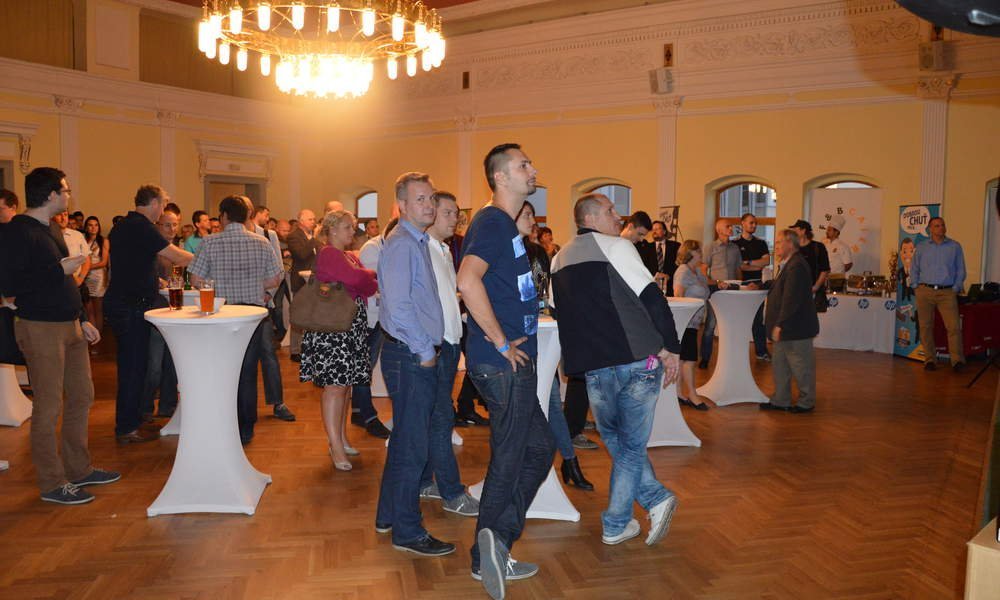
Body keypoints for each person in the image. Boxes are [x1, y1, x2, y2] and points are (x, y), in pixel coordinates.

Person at [549, 192, 681, 549]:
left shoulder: (558, 259)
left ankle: (637, 511)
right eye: (610, 211)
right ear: (589, 218)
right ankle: (628, 516)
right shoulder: (617, 247)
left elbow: (559, 312)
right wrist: (672, 348)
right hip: (637, 360)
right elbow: (653, 299)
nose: (618, 216)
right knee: (629, 448)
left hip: (595, 368)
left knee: (620, 444)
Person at [457, 143, 555, 597]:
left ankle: (495, 544)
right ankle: (488, 554)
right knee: (511, 456)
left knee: (539, 447)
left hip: (510, 361)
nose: (532, 169)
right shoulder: (494, 222)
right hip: (502, 362)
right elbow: (466, 279)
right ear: (500, 177)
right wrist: (499, 340)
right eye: (523, 165)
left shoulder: (503, 225)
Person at [0, 167, 118, 504]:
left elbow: (63, 281)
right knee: (49, 405)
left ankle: (79, 469)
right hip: (40, 327)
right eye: (65, 190)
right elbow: (10, 285)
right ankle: (52, 483)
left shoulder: (52, 227)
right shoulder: (16, 231)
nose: (69, 195)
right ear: (51, 194)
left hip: (69, 324)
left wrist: (81, 317)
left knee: (81, 396)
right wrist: (58, 270)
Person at [375, 174, 462, 557]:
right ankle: (408, 531)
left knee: (405, 443)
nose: (429, 205)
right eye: (420, 199)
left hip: (410, 353)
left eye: (430, 198)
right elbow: (398, 306)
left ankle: (388, 515)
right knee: (414, 447)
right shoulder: (403, 245)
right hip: (411, 355)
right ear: (403, 206)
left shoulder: (417, 242)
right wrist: (426, 350)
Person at [188, 196, 286, 444]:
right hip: (252, 315)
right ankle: (246, 427)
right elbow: (276, 278)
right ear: (246, 217)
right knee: (248, 371)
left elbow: (196, 280)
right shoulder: (262, 242)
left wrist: (219, 283)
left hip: (221, 312)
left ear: (223, 216)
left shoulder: (209, 242)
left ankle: (223, 421)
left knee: (221, 369)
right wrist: (254, 285)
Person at [104, 185, 193, 444]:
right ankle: (127, 428)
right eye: (162, 204)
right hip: (131, 307)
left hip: (125, 303)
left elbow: (134, 265)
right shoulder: (142, 227)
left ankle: (131, 421)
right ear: (154, 203)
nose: (163, 210)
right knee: (134, 368)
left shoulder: (125, 225)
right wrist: (202, 255)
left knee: (134, 367)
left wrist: (154, 281)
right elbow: (175, 256)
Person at [515, 200, 593, 490]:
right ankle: (564, 462)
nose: (532, 221)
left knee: (550, 398)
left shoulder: (537, 253)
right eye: (526, 215)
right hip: (515, 335)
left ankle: (569, 461)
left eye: (532, 215)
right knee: (539, 402)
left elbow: (539, 289)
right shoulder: (504, 251)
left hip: (540, 328)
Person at [299, 209, 377, 467]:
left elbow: (368, 284)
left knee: (344, 386)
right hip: (332, 330)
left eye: (352, 227)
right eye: (347, 227)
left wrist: (364, 277)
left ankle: (341, 439)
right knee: (335, 387)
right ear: (332, 229)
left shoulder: (346, 255)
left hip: (347, 327)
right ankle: (335, 445)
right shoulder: (330, 254)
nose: (352, 231)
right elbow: (360, 279)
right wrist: (365, 275)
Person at [760, 229, 820, 413]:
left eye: (779, 242)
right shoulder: (789, 264)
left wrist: (780, 324)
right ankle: (781, 400)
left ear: (791, 244)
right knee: (780, 365)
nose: (776, 246)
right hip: (786, 328)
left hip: (795, 328)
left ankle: (806, 402)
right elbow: (781, 286)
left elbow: (791, 299)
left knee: (801, 366)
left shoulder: (797, 266)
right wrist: (762, 285)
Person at [350, 220, 396, 440]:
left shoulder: (388, 246)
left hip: (381, 315)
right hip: (370, 316)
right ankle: (368, 416)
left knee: (366, 365)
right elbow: (373, 284)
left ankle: (358, 412)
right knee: (364, 366)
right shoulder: (372, 248)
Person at [910, 217, 966, 372]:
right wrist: (915, 286)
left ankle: (957, 361)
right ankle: (929, 360)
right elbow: (914, 267)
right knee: (925, 327)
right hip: (925, 291)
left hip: (947, 292)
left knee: (954, 327)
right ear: (930, 229)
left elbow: (961, 269)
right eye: (937, 226)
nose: (940, 228)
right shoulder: (922, 247)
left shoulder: (954, 246)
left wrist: (956, 287)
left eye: (942, 225)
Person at [140, 207, 180, 420]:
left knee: (172, 363)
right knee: (154, 364)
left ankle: (168, 405)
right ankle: (146, 407)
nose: (172, 229)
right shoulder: (152, 250)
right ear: (158, 226)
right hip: (156, 311)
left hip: (174, 312)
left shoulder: (177, 249)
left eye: (175, 224)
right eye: (167, 225)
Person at [673, 240, 712, 410]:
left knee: (683, 360)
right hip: (685, 322)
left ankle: (678, 393)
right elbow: (678, 296)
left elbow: (707, 286)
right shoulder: (683, 271)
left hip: (694, 323)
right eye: (699, 252)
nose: (701, 255)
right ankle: (692, 395)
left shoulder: (696, 271)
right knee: (689, 360)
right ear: (690, 253)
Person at [700, 218, 741, 368]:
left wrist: (740, 286)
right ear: (718, 230)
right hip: (715, 289)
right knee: (710, 324)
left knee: (732, 325)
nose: (731, 228)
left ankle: (731, 358)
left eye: (732, 226)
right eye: (727, 226)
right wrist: (713, 283)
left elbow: (738, 269)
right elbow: (703, 269)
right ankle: (705, 358)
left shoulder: (735, 248)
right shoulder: (710, 247)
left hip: (732, 289)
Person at [287, 209, 323, 362]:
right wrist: (313, 239)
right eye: (310, 219)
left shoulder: (315, 237)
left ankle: (311, 347)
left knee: (314, 315)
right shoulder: (293, 236)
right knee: (298, 316)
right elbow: (301, 254)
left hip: (316, 279)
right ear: (301, 221)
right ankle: (295, 350)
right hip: (301, 281)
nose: (313, 222)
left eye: (314, 219)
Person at [733, 213, 771, 361]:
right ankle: (737, 352)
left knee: (758, 320)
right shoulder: (735, 244)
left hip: (757, 284)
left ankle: (761, 352)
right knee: (740, 319)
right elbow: (739, 266)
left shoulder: (761, 243)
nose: (754, 225)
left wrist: (748, 263)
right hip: (741, 285)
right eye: (751, 223)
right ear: (742, 223)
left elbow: (766, 262)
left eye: (755, 223)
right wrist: (755, 264)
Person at [790, 219, 830, 313]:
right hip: (795, 292)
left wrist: (815, 287)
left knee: (813, 318)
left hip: (814, 292)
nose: (793, 233)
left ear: (803, 231)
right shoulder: (793, 249)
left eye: (795, 230)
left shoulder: (818, 247)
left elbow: (825, 269)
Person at [82, 216, 109, 333]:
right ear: (86, 227)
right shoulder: (82, 239)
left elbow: (104, 262)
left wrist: (87, 267)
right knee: (88, 309)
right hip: (85, 276)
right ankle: (92, 335)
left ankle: (99, 335)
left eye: (96, 225)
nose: (93, 228)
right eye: (90, 225)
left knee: (98, 308)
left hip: (98, 276)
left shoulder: (103, 240)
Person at [650, 220, 680, 296]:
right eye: (653, 229)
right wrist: (656, 274)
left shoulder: (675, 246)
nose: (654, 231)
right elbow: (645, 265)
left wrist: (668, 275)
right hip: (653, 285)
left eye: (657, 229)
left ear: (664, 231)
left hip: (671, 285)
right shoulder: (647, 247)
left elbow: (679, 264)